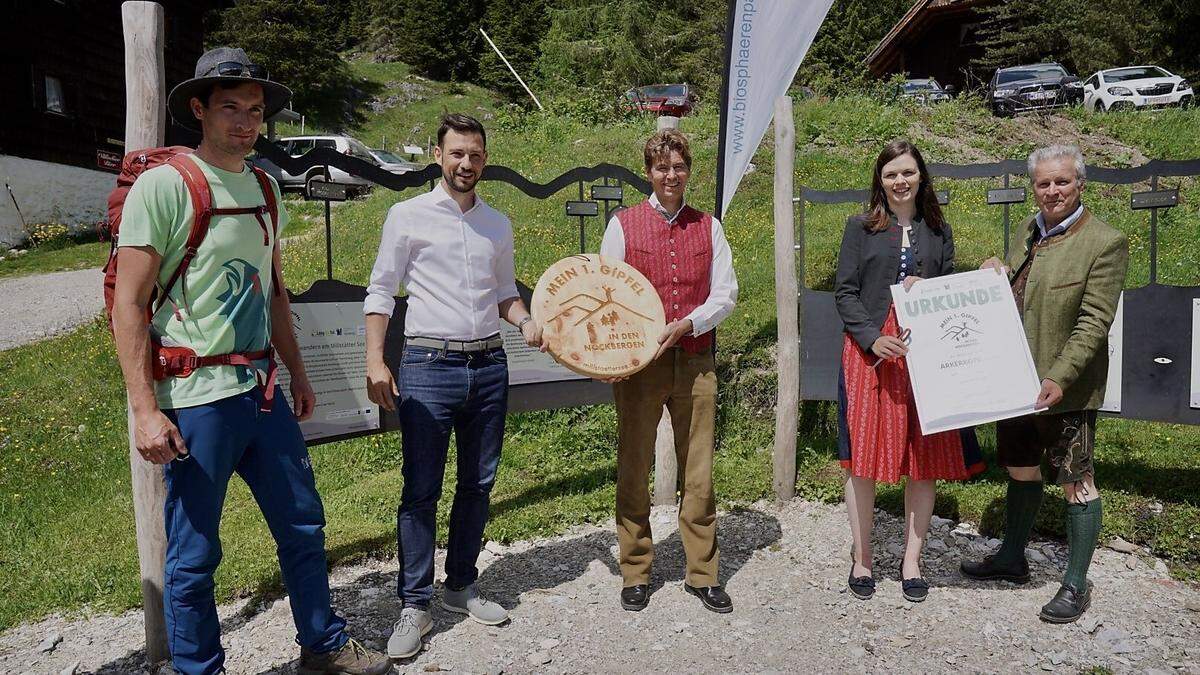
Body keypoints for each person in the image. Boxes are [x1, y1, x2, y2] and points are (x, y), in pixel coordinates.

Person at [112, 47, 391, 675]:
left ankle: (322, 648)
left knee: (302, 524)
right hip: (195, 397)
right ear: (198, 109)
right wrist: (144, 410)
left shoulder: (264, 185)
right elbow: (128, 303)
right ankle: (197, 668)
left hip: (260, 390)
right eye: (230, 107)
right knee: (194, 551)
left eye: (255, 110)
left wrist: (295, 369)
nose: (244, 121)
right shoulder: (166, 185)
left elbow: (272, 287)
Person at [364, 114, 544, 658]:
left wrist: (527, 320)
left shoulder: (498, 224)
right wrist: (377, 360)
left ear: (484, 160)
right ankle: (414, 605)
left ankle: (460, 585)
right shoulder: (407, 216)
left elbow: (505, 293)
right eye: (457, 154)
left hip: (489, 366)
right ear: (439, 156)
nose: (467, 164)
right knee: (421, 489)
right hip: (426, 365)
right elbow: (380, 291)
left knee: (479, 483)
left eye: (476, 155)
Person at [962, 144, 1128, 623]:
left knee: (1077, 482)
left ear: (1080, 184)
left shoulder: (1104, 241)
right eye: (1043, 183)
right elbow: (1013, 293)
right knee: (1019, 467)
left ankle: (1075, 584)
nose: (1052, 191)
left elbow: (1095, 324)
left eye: (1062, 182)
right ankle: (1013, 558)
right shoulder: (1029, 231)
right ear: (1033, 187)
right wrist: (995, 267)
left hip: (1064, 390)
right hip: (1014, 383)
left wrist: (1060, 376)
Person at [834, 139, 984, 604]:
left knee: (924, 457)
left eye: (908, 172)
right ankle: (862, 558)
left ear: (921, 176)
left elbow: (951, 288)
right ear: (880, 181)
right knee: (863, 458)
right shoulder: (859, 227)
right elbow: (845, 292)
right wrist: (870, 336)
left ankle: (911, 560)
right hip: (871, 351)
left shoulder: (938, 229)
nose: (900, 181)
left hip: (925, 352)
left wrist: (933, 286)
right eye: (891, 174)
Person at [598, 128, 738, 613]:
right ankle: (635, 570)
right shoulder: (622, 225)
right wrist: (611, 357)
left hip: (696, 360)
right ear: (649, 172)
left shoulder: (709, 226)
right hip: (640, 364)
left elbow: (726, 294)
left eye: (679, 167)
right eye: (662, 168)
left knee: (698, 470)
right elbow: (606, 292)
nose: (671, 175)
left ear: (688, 171)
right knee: (634, 465)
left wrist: (689, 323)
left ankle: (702, 573)